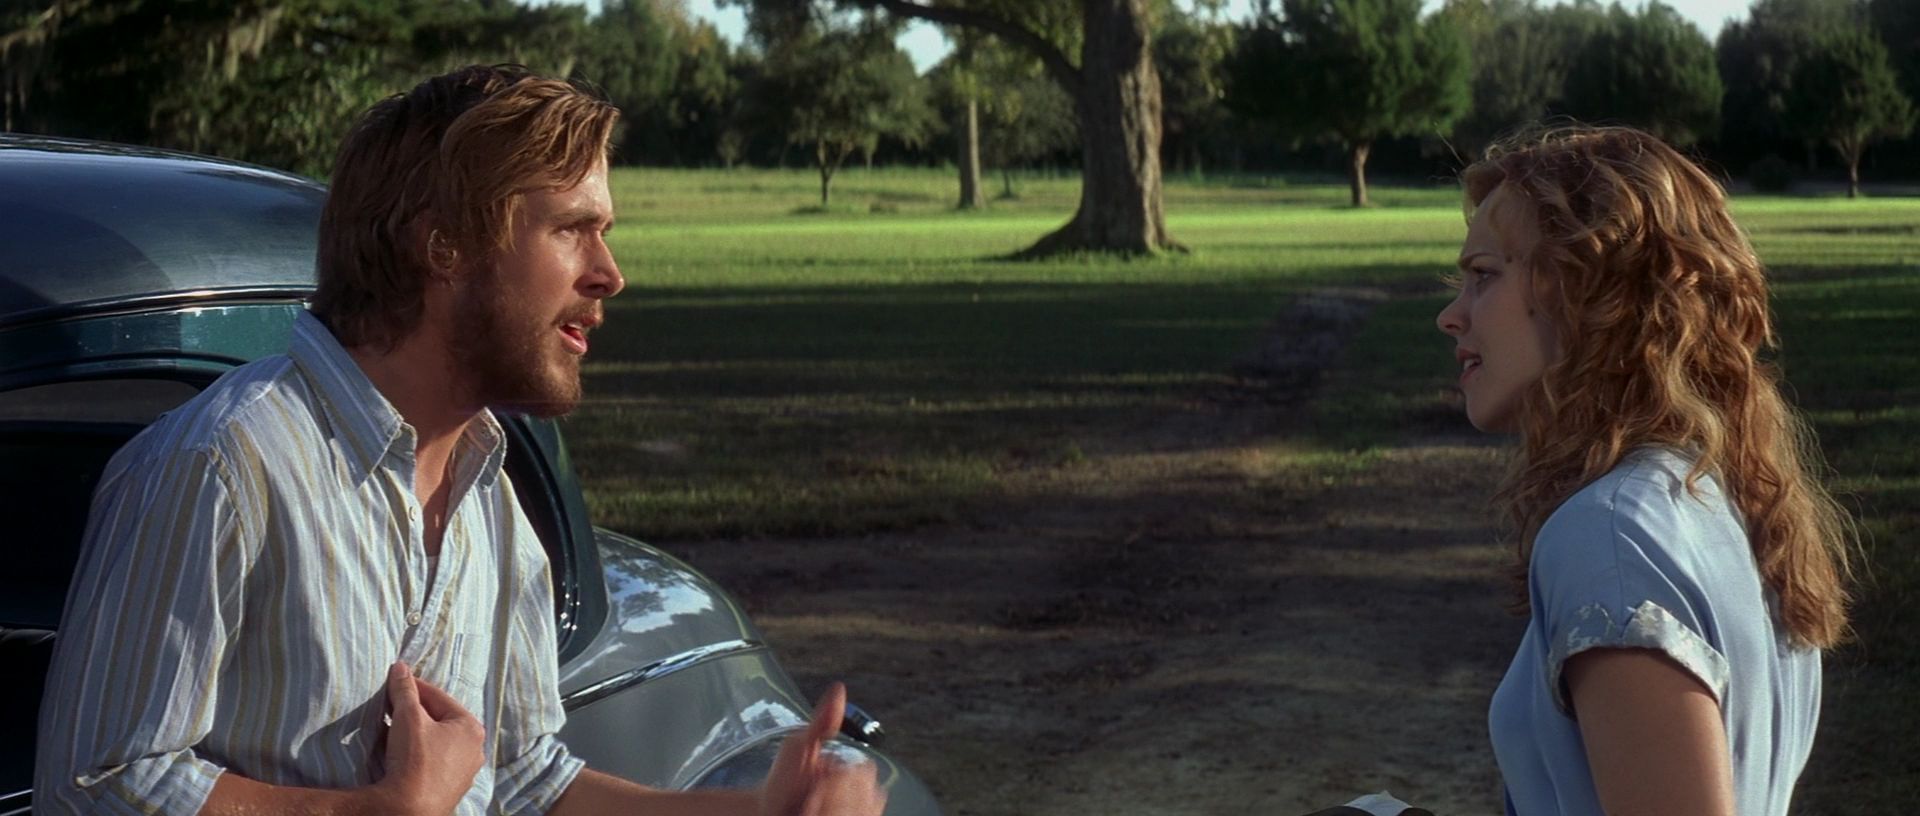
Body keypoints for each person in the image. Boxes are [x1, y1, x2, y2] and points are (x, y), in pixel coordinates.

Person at [34, 65, 886, 816]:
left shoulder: (492, 497)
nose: (609, 274)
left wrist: (757, 811)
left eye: (605, 233)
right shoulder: (224, 465)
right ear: (443, 245)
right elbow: (93, 785)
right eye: (570, 229)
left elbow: (524, 781)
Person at [1436, 124, 1856, 815]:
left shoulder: (1608, 534)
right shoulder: (1722, 501)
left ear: (1589, 294)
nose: (1451, 316)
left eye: (1483, 275)